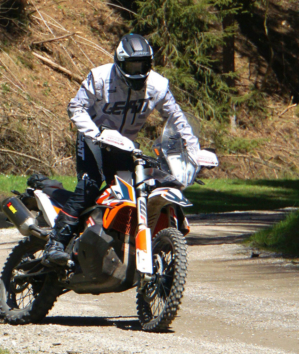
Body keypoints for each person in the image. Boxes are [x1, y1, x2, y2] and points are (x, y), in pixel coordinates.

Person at [44, 33, 200, 266]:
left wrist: (193, 150)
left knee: (137, 189)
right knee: (90, 184)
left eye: (142, 65)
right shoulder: (99, 77)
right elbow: (75, 107)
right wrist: (96, 134)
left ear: (150, 63)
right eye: (131, 65)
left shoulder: (158, 85)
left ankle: (119, 242)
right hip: (94, 139)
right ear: (119, 61)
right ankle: (55, 243)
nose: (137, 71)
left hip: (125, 145)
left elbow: (176, 117)